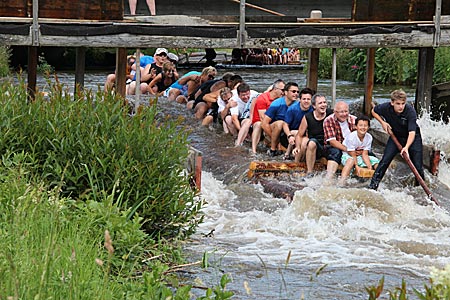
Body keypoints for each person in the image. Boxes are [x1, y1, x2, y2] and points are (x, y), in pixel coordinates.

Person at [368, 89, 424, 190]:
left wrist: (406, 147)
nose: (401, 106)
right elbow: (374, 111)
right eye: (398, 104)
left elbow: (412, 132)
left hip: (413, 138)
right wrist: (382, 122)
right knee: (385, 161)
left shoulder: (410, 111)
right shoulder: (385, 107)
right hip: (396, 136)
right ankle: (373, 187)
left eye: (403, 103)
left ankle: (419, 190)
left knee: (418, 166)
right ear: (392, 102)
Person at [293, 94, 333, 175]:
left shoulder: (331, 113)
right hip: (315, 146)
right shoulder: (308, 117)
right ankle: (310, 172)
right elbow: (299, 135)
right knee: (311, 143)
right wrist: (297, 147)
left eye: (324, 102)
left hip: (329, 144)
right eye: (320, 103)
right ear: (314, 106)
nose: (323, 105)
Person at [339, 115, 379, 185]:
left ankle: (378, 181)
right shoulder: (352, 137)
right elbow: (352, 154)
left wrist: (369, 167)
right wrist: (357, 166)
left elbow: (365, 154)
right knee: (351, 162)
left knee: (376, 162)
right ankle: (342, 182)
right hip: (348, 155)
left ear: (368, 127)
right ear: (356, 126)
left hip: (360, 155)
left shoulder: (369, 137)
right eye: (360, 125)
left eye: (365, 126)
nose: (363, 128)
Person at [261, 82, 299, 157]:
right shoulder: (276, 104)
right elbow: (264, 124)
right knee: (280, 123)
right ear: (285, 92)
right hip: (274, 130)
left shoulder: (298, 105)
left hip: (288, 131)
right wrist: (275, 141)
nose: (296, 94)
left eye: (297, 92)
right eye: (293, 91)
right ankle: (273, 149)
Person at [323, 101, 357, 178]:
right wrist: (347, 149)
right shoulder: (329, 120)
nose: (344, 114)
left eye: (346, 111)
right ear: (335, 112)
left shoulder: (354, 119)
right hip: (333, 146)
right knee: (336, 152)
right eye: (341, 112)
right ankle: (329, 178)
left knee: (369, 153)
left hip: (351, 146)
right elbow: (332, 142)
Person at [250, 79, 285, 154]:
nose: (284, 92)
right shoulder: (262, 98)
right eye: (282, 90)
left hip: (273, 122)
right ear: (275, 89)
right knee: (259, 124)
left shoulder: (281, 99)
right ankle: (253, 150)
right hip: (260, 121)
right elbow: (263, 119)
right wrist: (274, 139)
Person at [282, 87, 314, 160]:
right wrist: (289, 136)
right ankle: (287, 154)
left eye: (308, 99)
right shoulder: (292, 109)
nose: (306, 101)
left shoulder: (313, 109)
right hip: (292, 134)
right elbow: (285, 124)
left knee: (303, 140)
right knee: (296, 133)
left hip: (307, 133)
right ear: (299, 100)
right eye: (304, 99)